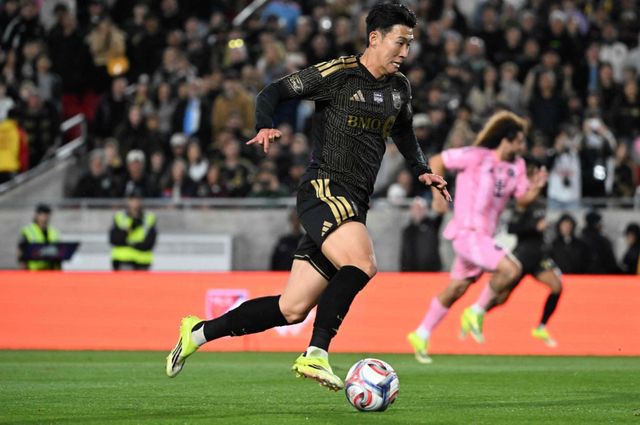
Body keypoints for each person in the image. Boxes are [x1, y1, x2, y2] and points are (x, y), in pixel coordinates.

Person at [165, 1, 450, 390]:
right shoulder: (339, 74)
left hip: (353, 202)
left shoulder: (399, 88)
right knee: (362, 263)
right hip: (325, 188)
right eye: (399, 42)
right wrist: (264, 124)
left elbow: (403, 131)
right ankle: (316, 353)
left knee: (292, 308)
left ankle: (197, 333)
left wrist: (421, 169)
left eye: (409, 44)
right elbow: (274, 91)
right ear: (374, 38)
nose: (405, 51)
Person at [407, 110, 547, 364]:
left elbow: (522, 200)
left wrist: (535, 189)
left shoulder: (516, 167)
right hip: (468, 233)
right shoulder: (476, 156)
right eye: (519, 141)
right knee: (511, 269)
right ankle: (476, 311)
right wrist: (438, 195)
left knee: (457, 288)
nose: (523, 146)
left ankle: (421, 333)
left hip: (484, 238)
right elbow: (437, 160)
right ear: (506, 140)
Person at [468, 157, 562, 347]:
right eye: (537, 176)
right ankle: (477, 314)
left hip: (538, 256)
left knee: (557, 286)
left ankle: (541, 327)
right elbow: (513, 227)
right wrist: (535, 227)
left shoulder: (540, 201)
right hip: (523, 255)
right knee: (502, 298)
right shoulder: (523, 201)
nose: (541, 179)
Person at [109, 188, 157, 270]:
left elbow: (149, 243)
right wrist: (131, 228)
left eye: (137, 200)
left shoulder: (149, 218)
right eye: (132, 200)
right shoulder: (119, 217)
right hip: (123, 260)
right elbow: (115, 239)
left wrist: (130, 243)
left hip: (142, 261)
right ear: (128, 201)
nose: (135, 203)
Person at [400, 196, 444, 271]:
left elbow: (441, 212)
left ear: (425, 210)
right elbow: (404, 253)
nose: (417, 211)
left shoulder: (432, 225)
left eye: (420, 208)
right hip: (411, 272)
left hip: (432, 272)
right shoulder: (407, 230)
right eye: (415, 208)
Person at [17, 203, 61, 270]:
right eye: (43, 215)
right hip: (34, 271)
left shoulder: (54, 231)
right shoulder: (28, 230)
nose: (45, 218)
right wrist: (23, 270)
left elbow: (59, 251)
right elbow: (21, 252)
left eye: (47, 215)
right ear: (37, 215)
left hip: (52, 270)